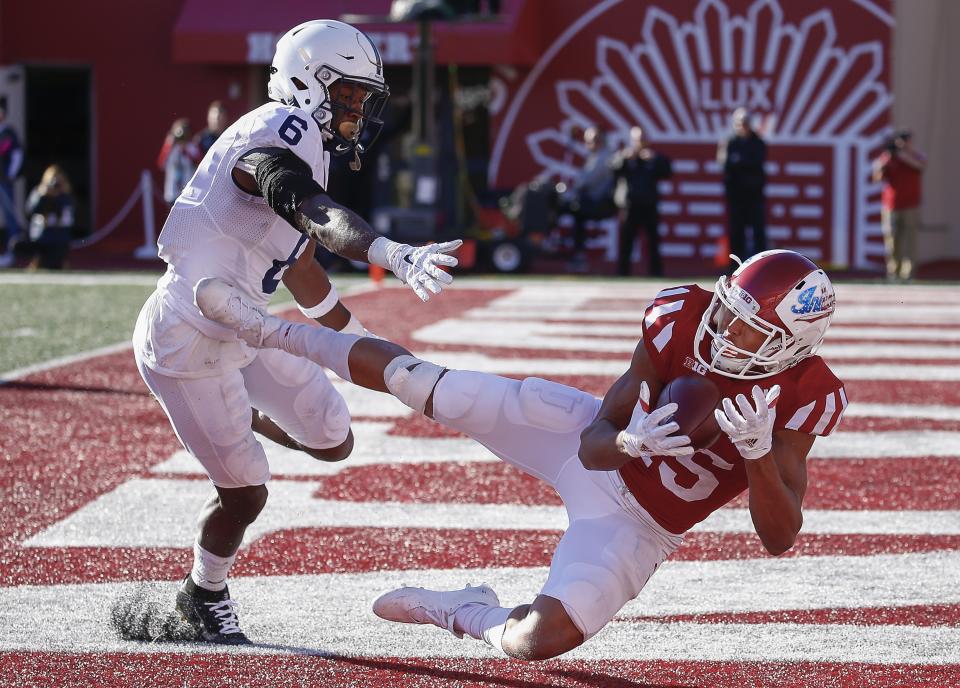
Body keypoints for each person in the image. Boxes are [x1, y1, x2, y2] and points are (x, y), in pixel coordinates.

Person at [194, 248, 846, 661]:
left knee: (538, 642)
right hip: (582, 439)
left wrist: (758, 455)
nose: (725, 332)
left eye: (749, 329)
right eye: (729, 311)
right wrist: (628, 441)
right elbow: (597, 443)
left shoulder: (802, 396)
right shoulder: (679, 314)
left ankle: (465, 609)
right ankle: (268, 329)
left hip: (640, 526)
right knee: (425, 383)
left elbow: (780, 536)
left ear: (791, 346)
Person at [131, 19, 462, 645]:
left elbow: (301, 262)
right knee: (247, 493)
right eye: (352, 94)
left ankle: (243, 413)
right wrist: (390, 252)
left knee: (334, 440)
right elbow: (307, 207)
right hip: (186, 339)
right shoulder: (274, 130)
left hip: (242, 325)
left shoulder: (305, 141)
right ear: (313, 83)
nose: (359, 110)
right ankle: (201, 593)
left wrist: (359, 338)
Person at [610, 126, 672, 277]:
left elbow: (667, 171)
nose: (640, 143)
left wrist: (654, 159)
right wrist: (624, 158)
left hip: (649, 204)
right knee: (627, 241)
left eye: (642, 139)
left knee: (653, 241)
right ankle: (622, 272)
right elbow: (613, 169)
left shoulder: (653, 157)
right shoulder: (626, 156)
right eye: (637, 140)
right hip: (629, 204)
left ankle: (656, 272)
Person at [871, 129, 926, 281]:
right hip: (891, 206)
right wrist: (882, 163)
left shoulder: (915, 156)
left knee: (910, 240)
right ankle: (893, 273)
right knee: (892, 240)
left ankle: (908, 274)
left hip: (911, 205)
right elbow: (877, 178)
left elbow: (919, 166)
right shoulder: (889, 157)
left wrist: (901, 156)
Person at [717, 107, 767, 268]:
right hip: (736, 196)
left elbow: (755, 162)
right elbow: (724, 163)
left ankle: (760, 268)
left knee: (758, 233)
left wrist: (738, 161)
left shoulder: (758, 142)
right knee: (736, 233)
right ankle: (735, 268)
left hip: (754, 196)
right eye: (739, 123)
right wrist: (742, 162)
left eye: (745, 122)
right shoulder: (729, 141)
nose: (742, 126)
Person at [563, 126, 615, 272]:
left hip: (599, 203)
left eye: (590, 141)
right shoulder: (595, 156)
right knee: (573, 209)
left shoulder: (604, 156)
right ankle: (574, 252)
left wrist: (571, 190)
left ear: (598, 141)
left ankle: (577, 254)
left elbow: (586, 181)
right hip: (592, 200)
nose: (586, 145)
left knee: (575, 211)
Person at [17, 164, 76, 269]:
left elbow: (67, 221)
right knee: (17, 245)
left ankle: (58, 261)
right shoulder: (40, 193)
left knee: (55, 262)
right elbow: (29, 212)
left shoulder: (66, 197)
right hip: (39, 239)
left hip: (58, 240)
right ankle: (36, 260)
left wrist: (59, 197)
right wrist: (42, 196)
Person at [0, 100, 24, 267]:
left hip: (3, 181)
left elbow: (17, 155)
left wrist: (10, 175)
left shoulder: (8, 133)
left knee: (10, 217)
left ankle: (11, 252)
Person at [156, 118, 200, 207]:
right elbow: (161, 164)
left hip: (188, 194)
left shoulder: (191, 147)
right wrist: (168, 144)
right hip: (172, 193)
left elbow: (198, 161)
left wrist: (186, 148)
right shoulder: (170, 149)